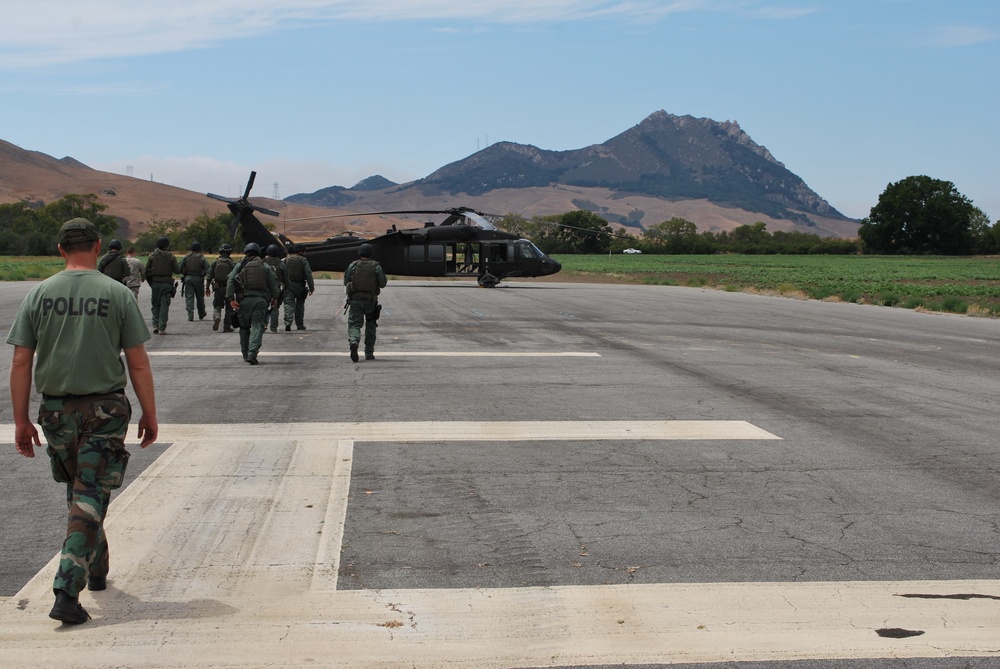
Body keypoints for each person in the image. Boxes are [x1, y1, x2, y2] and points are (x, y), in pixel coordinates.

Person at [6, 217, 158, 625]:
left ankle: (96, 568)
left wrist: (20, 421)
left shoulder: (39, 294)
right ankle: (66, 589)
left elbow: (21, 361)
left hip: (55, 412)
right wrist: (150, 413)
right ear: (95, 246)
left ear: (60, 250)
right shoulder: (117, 293)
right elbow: (138, 362)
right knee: (90, 491)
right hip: (105, 409)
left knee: (82, 490)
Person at [226, 242, 279, 365]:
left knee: (244, 327)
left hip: (243, 301)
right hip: (260, 301)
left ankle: (245, 354)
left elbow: (230, 280)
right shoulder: (265, 267)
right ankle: (252, 353)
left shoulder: (241, 266)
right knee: (257, 326)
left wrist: (230, 299)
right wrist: (275, 298)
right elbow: (273, 284)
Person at [343, 243, 386, 362]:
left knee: (354, 324)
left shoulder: (353, 265)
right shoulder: (376, 266)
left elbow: (346, 281)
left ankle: (354, 341)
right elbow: (382, 283)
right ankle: (369, 353)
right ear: (371, 254)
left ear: (360, 253)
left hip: (355, 300)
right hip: (370, 301)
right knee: (371, 325)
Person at [145, 237, 180, 334]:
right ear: (166, 245)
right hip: (167, 284)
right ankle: (162, 328)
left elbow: (146, 271)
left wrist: (151, 283)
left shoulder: (152, 256)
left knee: (155, 305)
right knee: (164, 306)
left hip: (155, 284)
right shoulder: (171, 257)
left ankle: (155, 325)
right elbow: (177, 271)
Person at [281, 243, 315, 331]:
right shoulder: (303, 260)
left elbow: (281, 271)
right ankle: (299, 325)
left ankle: (288, 322)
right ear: (301, 251)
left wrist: (283, 284)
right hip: (299, 286)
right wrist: (311, 287)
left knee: (288, 304)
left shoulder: (286, 259)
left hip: (288, 285)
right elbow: (308, 274)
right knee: (299, 306)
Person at [179, 241, 210, 321]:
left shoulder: (186, 257)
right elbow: (208, 270)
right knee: (200, 298)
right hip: (198, 279)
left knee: (189, 297)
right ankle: (201, 314)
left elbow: (179, 268)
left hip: (188, 279)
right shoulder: (202, 258)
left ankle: (190, 315)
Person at [209, 243, 236, 333]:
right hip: (229, 288)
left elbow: (209, 276)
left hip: (218, 287)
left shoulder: (215, 262)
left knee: (217, 305)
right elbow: (237, 275)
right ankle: (227, 327)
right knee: (229, 308)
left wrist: (206, 288)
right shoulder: (232, 263)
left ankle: (217, 316)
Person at [263, 244, 284, 334]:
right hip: (276, 288)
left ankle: (263, 324)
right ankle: (274, 327)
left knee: (263, 306)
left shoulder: (263, 262)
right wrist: (287, 285)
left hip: (265, 288)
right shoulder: (280, 262)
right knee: (275, 307)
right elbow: (285, 275)